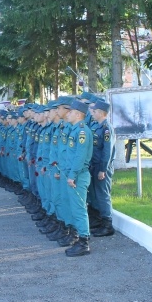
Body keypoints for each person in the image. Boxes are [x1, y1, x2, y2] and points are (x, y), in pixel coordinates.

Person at [58, 99, 93, 257]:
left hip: (78, 176)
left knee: (79, 209)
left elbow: (79, 157)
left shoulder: (82, 132)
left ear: (78, 115)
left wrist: (72, 175)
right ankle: (76, 236)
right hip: (71, 174)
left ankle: (84, 242)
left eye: (71, 112)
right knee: (73, 207)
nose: (68, 114)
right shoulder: (74, 130)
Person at [88, 100, 116, 237]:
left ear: (100, 112)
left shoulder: (106, 128)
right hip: (94, 165)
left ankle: (107, 225)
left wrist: (103, 169)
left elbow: (107, 151)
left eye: (94, 111)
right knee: (94, 194)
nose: (92, 113)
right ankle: (98, 221)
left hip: (101, 166)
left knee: (103, 195)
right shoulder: (96, 126)